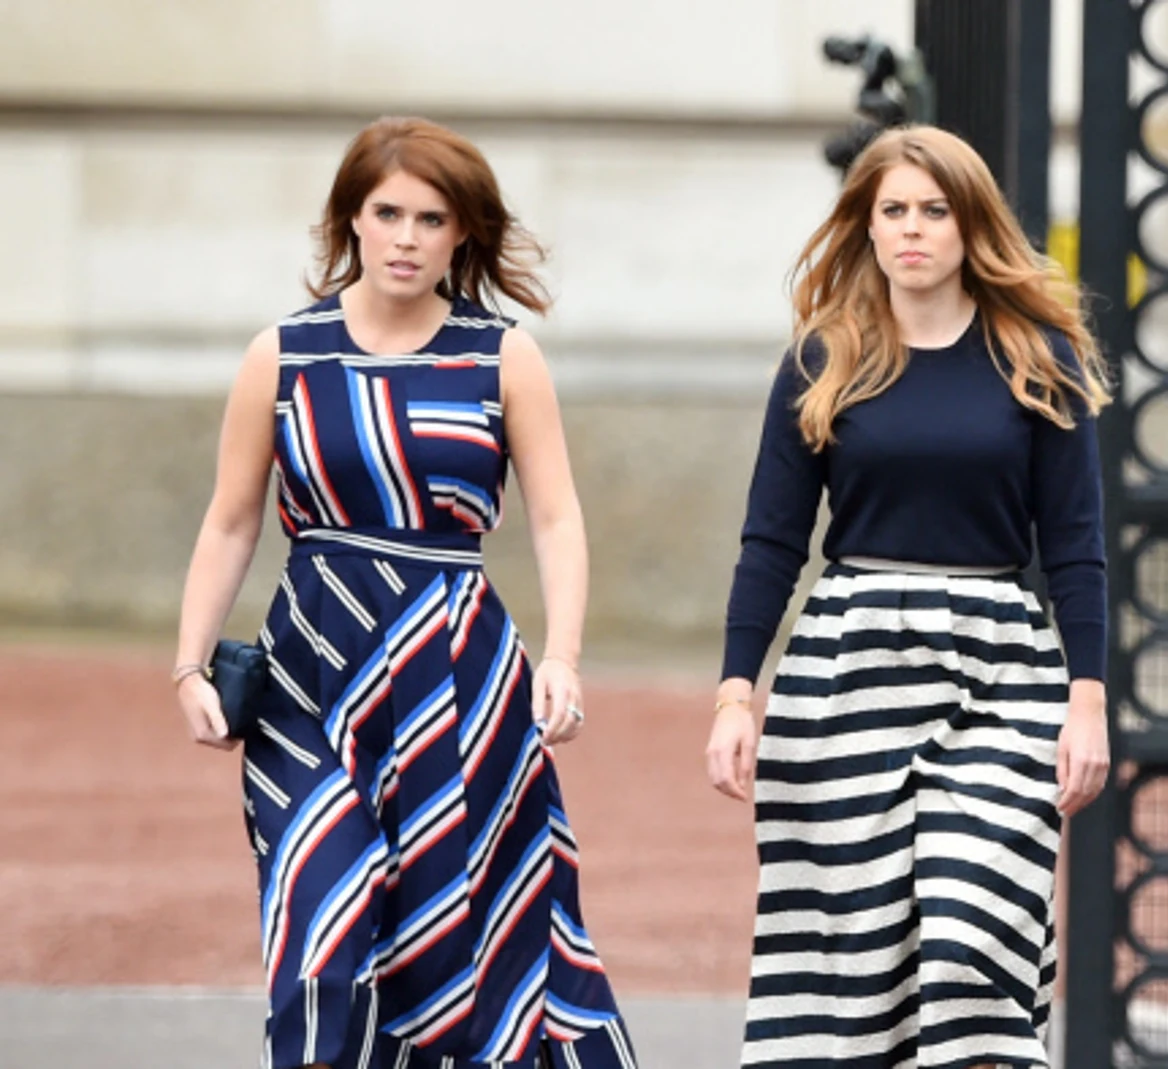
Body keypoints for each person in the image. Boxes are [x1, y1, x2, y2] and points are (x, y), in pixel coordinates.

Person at [172, 117, 638, 1068]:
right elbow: (231, 519)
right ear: (351, 218)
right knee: (319, 927)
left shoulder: (502, 358)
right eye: (387, 213)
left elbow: (557, 518)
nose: (407, 237)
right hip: (311, 683)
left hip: (459, 684)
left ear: (462, 232)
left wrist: (564, 657)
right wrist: (188, 664)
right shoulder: (284, 354)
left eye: (432, 218)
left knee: (457, 945)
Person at [703, 124, 1113, 1068]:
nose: (914, 230)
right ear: (868, 225)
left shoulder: (1038, 358)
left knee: (976, 936)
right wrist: (736, 691)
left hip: (1003, 670)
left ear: (971, 226)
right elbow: (772, 542)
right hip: (848, 668)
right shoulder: (823, 359)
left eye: (935, 211)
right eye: (895, 211)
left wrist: (1085, 698)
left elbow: (1078, 547)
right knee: (845, 971)